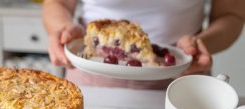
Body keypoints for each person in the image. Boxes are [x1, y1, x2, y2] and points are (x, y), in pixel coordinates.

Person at [42, 0, 245, 89]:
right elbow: (55, 3)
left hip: (184, 79)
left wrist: (201, 43)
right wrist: (64, 28)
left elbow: (232, 15)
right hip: (92, 78)